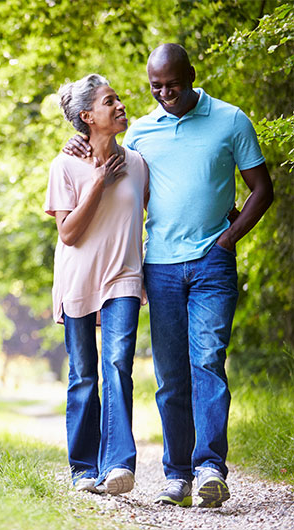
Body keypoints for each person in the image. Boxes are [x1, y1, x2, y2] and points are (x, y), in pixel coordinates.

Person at [64, 43, 274, 508]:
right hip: (158, 265)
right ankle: (176, 475)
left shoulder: (231, 120)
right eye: (155, 87)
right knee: (170, 374)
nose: (164, 93)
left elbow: (263, 189)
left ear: (192, 75)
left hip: (211, 262)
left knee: (208, 361)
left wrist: (229, 237)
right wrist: (76, 140)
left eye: (172, 84)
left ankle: (209, 468)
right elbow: (108, 165)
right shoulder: (140, 132)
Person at [45, 74, 149, 496]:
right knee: (84, 373)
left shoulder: (139, 163)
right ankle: (83, 469)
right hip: (79, 281)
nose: (121, 105)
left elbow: (157, 212)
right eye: (110, 101)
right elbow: (68, 233)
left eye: (118, 98)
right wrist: (97, 182)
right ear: (88, 116)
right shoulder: (64, 165)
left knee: (118, 363)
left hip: (123, 275)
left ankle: (118, 465)